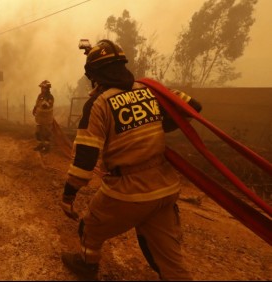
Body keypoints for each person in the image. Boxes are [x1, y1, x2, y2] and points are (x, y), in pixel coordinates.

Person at [59, 39, 202, 281]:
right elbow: (192, 106)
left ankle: (86, 265)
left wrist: (68, 194)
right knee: (170, 261)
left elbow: (85, 158)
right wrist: (159, 124)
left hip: (128, 192)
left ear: (94, 75)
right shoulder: (150, 90)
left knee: (89, 227)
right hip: (164, 188)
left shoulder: (99, 103)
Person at [32, 80, 54, 153]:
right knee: (38, 132)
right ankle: (40, 145)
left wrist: (45, 104)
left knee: (46, 133)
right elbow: (37, 103)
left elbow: (48, 106)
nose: (42, 89)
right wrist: (34, 109)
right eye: (41, 88)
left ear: (47, 89)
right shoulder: (40, 95)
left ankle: (47, 147)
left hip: (47, 119)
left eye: (43, 88)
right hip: (39, 118)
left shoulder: (50, 97)